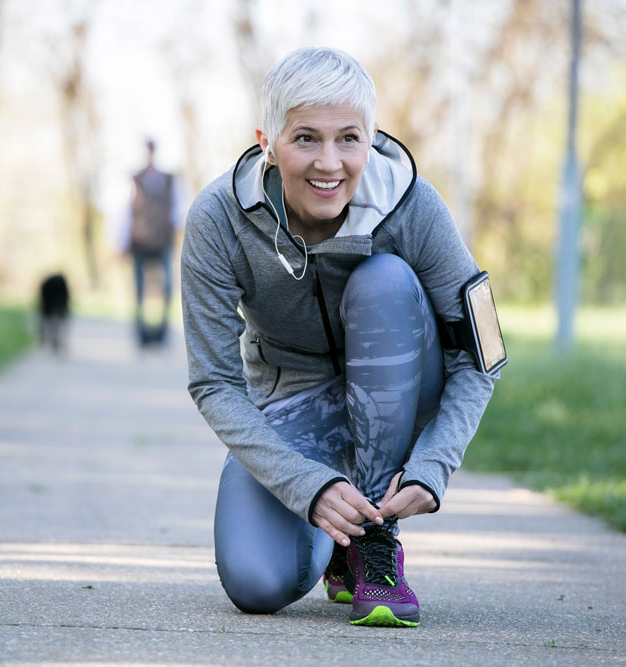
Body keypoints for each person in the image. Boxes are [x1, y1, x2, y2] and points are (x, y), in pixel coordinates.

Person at [181, 47, 500, 627]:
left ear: (371, 137)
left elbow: (482, 356)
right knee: (257, 583)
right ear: (266, 143)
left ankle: (375, 543)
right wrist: (308, 486)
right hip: (293, 402)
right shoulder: (218, 219)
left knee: (383, 280)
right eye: (305, 138)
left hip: (404, 387)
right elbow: (214, 383)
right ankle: (339, 539)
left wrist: (435, 464)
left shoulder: (414, 206)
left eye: (348, 138)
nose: (329, 163)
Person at [125, 140, 184, 347]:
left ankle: (163, 332)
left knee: (168, 287)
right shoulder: (135, 179)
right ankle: (141, 334)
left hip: (163, 241)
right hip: (139, 241)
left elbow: (177, 210)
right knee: (139, 289)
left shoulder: (169, 180)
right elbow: (125, 211)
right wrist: (122, 241)